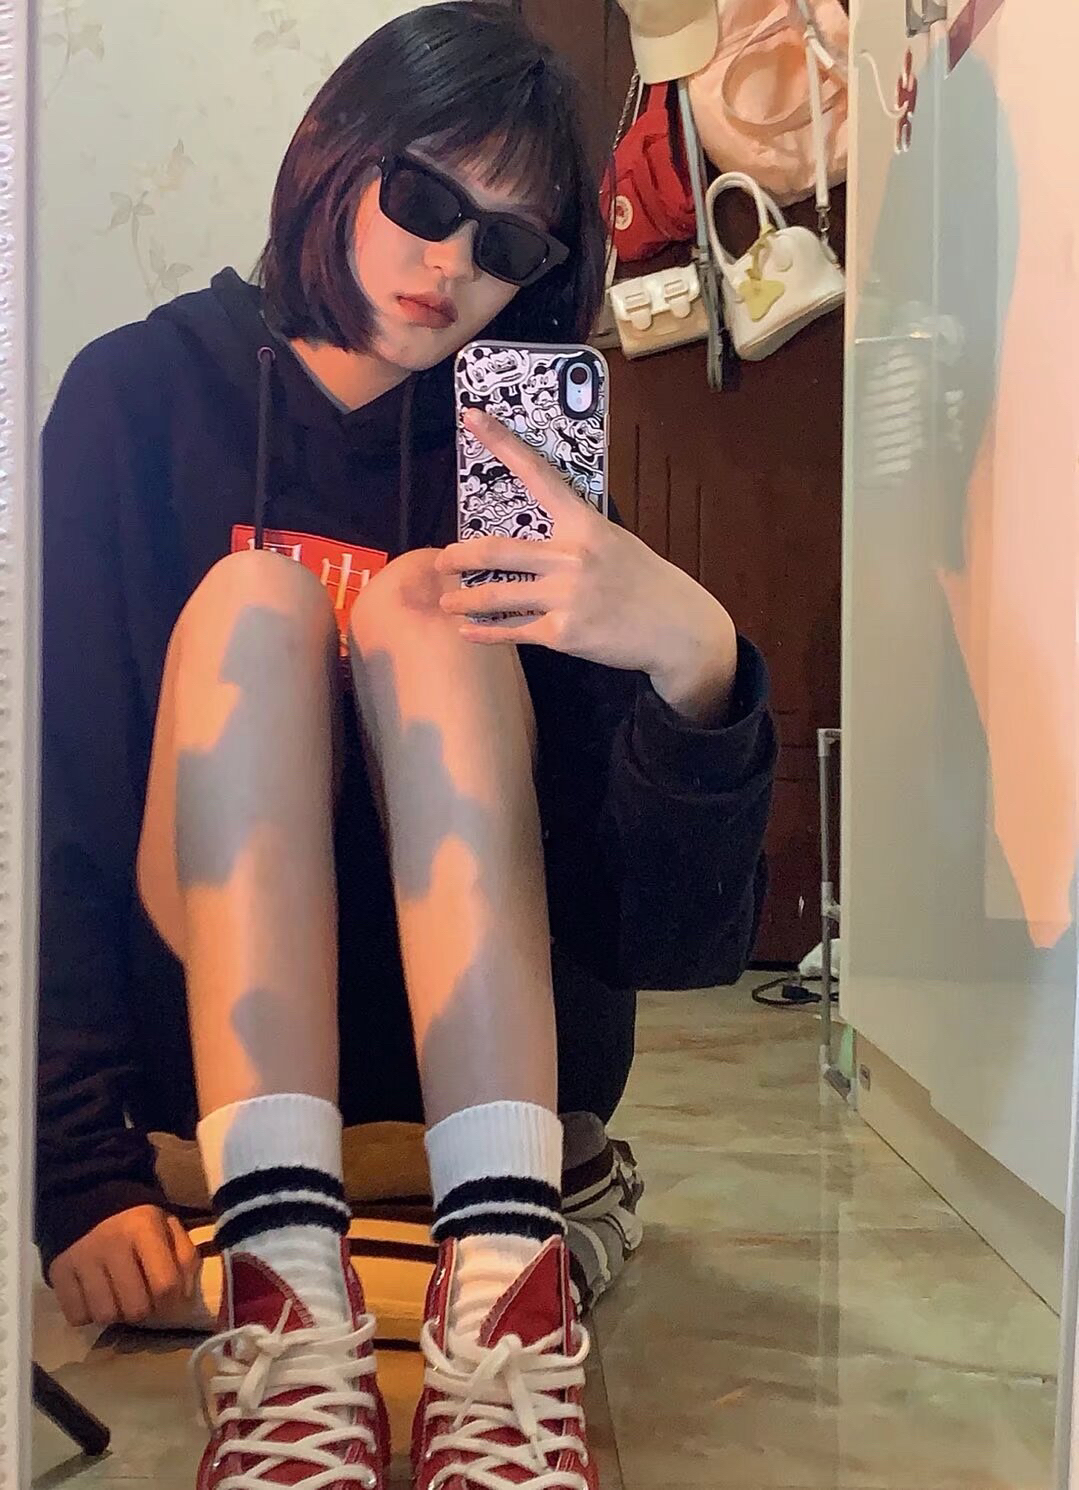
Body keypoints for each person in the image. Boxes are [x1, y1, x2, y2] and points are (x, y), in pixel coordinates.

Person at [35, 5, 776, 1487]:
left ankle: (502, 1297)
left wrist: (694, 656)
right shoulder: (138, 400)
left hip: (486, 1085)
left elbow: (658, 938)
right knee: (257, 604)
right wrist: (74, 1171)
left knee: (429, 614)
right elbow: (62, 806)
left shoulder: (515, 458)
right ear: (335, 148)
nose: (451, 265)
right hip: (221, 1064)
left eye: (506, 244)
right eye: (426, 199)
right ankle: (288, 1307)